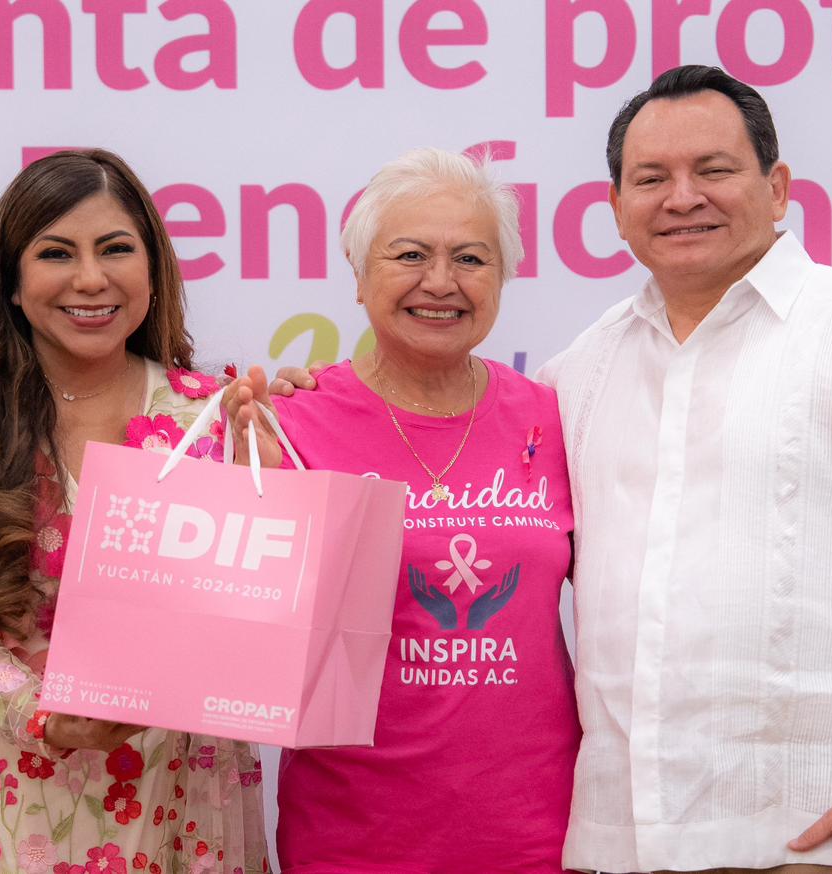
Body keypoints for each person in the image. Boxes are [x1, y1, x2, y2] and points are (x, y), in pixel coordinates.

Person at [534, 66, 832, 873]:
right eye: (651, 178)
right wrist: (314, 405)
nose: (682, 197)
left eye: (713, 169)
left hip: (826, 834)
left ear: (777, 187)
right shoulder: (578, 371)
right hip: (622, 838)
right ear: (616, 208)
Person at [0, 150, 267, 874]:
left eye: (116, 248)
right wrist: (47, 717)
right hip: (0, 804)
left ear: (153, 269)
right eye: (57, 253)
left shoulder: (212, 416)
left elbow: (258, 611)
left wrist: (283, 454)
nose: (90, 278)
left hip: (179, 793)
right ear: (13, 282)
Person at [227, 148, 581, 872]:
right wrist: (243, 490)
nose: (441, 282)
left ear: (504, 278)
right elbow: (244, 641)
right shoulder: (291, 423)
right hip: (353, 838)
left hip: (539, 831)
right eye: (410, 254)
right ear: (359, 277)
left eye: (471, 259)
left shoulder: (554, 417)